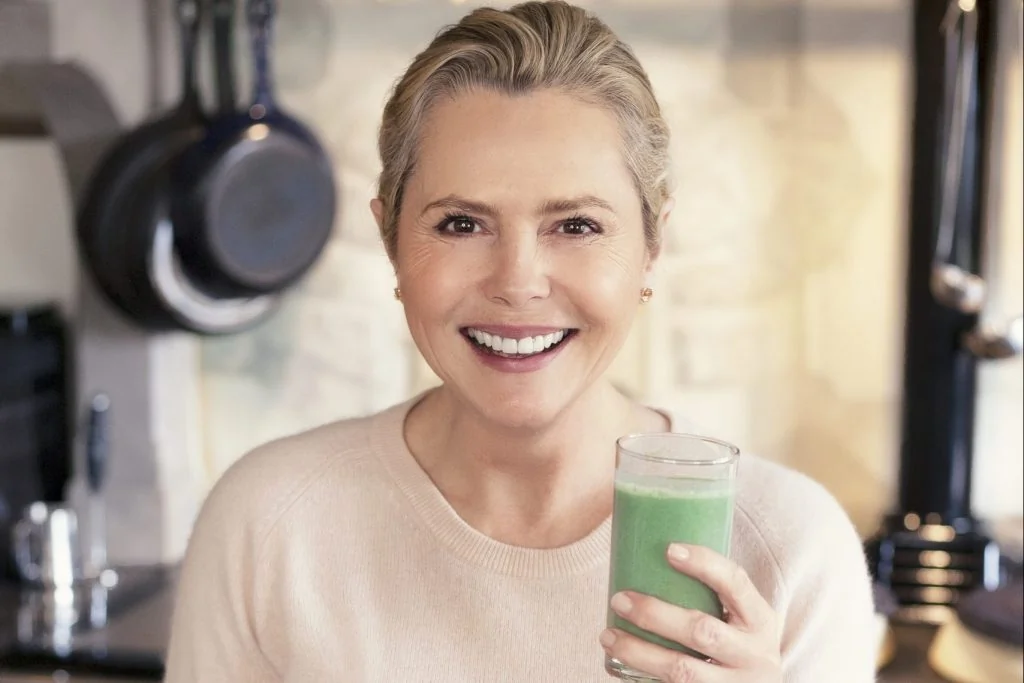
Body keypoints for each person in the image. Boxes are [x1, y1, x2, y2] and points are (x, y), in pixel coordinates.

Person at [163, 2, 878, 681]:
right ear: (390, 239)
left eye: (575, 225)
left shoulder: (789, 549)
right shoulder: (268, 523)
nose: (517, 282)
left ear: (652, 245)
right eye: (461, 224)